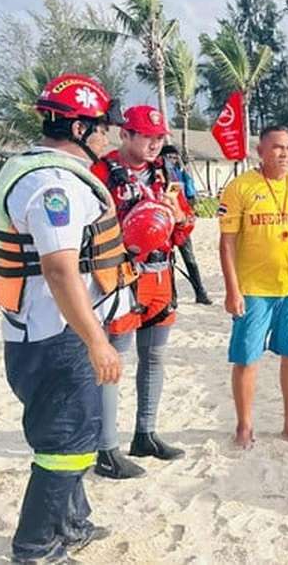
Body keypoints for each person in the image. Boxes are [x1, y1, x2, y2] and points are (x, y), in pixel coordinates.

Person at [0, 73, 134, 562]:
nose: (109, 136)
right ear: (77, 129)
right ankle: (35, 546)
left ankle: (71, 522)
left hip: (45, 331)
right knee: (66, 442)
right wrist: (96, 340)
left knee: (74, 433)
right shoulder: (54, 185)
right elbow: (58, 268)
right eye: (102, 127)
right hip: (58, 335)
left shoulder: (32, 169)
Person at [89, 108, 192, 479]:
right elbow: (87, 230)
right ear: (125, 134)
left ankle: (145, 434)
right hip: (122, 277)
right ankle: (106, 448)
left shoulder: (166, 174)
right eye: (147, 136)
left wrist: (178, 218)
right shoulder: (100, 173)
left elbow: (184, 228)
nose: (155, 144)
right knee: (113, 362)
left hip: (161, 275)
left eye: (160, 137)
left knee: (155, 357)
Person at [218, 125, 288, 449]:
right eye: (278, 147)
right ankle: (244, 426)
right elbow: (226, 243)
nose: (285, 154)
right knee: (246, 358)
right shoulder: (240, 187)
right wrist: (232, 289)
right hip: (253, 289)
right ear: (261, 151)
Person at [162, 145, 212, 305]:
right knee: (168, 261)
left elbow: (179, 197)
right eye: (169, 157)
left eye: (174, 157)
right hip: (165, 222)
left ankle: (199, 291)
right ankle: (173, 297)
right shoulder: (158, 175)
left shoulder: (177, 174)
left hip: (180, 220)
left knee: (189, 259)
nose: (172, 160)